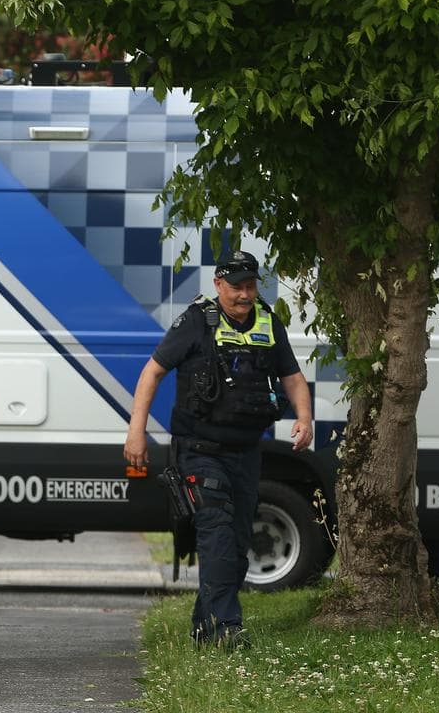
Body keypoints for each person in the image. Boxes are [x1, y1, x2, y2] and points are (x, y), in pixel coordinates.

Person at [123, 249, 313, 650]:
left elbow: (292, 376)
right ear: (218, 285)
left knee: (237, 543)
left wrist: (304, 417)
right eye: (236, 287)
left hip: (246, 452)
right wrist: (136, 432)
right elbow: (152, 372)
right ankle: (227, 628)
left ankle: (202, 625)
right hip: (199, 450)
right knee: (217, 535)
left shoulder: (267, 321)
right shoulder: (196, 321)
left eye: (250, 286)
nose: (244, 295)